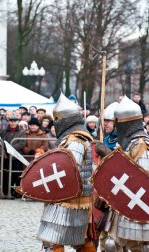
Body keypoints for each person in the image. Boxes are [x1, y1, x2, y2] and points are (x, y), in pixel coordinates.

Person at [96, 96, 149, 251]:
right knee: (111, 245)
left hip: (137, 203)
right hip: (121, 201)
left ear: (127, 123)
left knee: (145, 248)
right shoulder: (128, 142)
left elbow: (142, 179)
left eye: (119, 123)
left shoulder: (142, 144)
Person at [37, 94, 95, 251]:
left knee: (53, 239)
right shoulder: (74, 138)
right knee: (81, 240)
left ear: (65, 121)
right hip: (76, 198)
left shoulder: (75, 140)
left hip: (70, 198)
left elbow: (69, 169)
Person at [4, 115, 26, 197]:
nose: (13, 123)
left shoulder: (21, 132)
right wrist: (6, 149)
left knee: (17, 174)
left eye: (14, 121)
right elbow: (2, 141)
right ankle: (7, 191)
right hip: (6, 156)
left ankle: (17, 192)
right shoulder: (5, 131)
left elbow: (22, 143)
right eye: (11, 121)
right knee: (6, 174)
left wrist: (10, 147)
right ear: (9, 122)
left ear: (17, 122)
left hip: (16, 156)